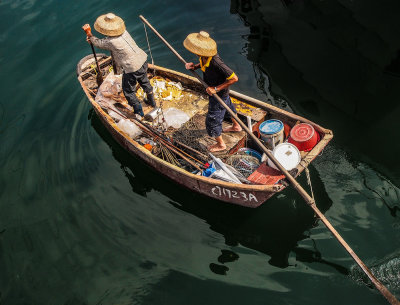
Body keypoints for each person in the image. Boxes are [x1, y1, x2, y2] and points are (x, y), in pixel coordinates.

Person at [85, 13, 156, 117]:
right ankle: (152, 102)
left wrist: (89, 34)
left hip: (132, 68)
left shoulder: (111, 41)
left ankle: (139, 112)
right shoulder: (124, 32)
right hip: (142, 60)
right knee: (144, 81)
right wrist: (92, 39)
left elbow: (99, 43)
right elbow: (105, 41)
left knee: (128, 92)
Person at [184, 31, 242, 152]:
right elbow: (202, 63)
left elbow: (234, 78)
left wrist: (216, 89)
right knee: (228, 108)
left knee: (212, 120)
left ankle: (221, 145)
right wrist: (194, 66)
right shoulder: (203, 56)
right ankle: (236, 126)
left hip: (219, 93)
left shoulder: (217, 62)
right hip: (218, 91)